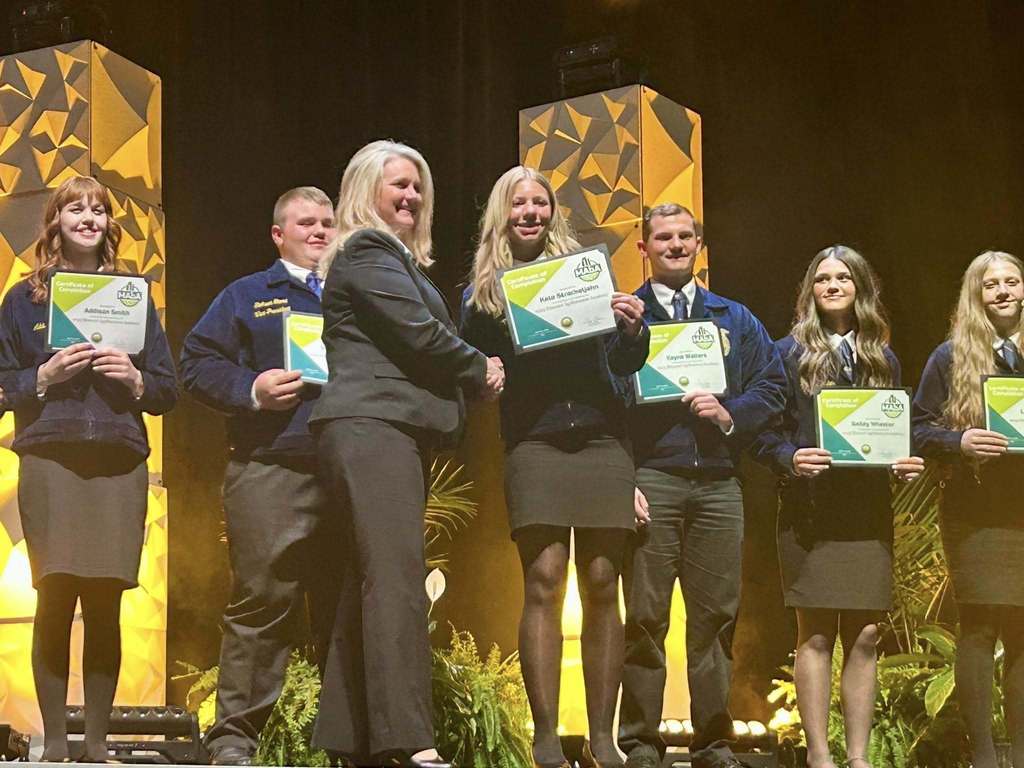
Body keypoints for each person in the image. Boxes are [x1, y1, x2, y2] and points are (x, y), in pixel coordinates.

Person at [310, 139, 503, 768]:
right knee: (396, 581)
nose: (413, 196)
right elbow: (420, 334)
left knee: (367, 579)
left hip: (384, 430)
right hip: (374, 427)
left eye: (418, 186)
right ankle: (406, 740)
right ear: (366, 190)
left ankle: (346, 737)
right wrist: (478, 367)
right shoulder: (367, 250)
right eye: (399, 184)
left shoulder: (394, 260)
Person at [460, 166, 650, 768]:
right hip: (535, 444)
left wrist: (633, 330)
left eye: (539, 202)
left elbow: (624, 361)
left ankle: (602, 738)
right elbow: (472, 371)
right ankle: (545, 737)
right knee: (544, 580)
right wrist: (485, 373)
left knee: (603, 581)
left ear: (552, 212)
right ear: (502, 213)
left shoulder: (587, 273)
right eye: (518, 203)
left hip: (602, 442)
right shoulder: (483, 294)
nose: (530, 212)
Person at [0, 175, 177, 762]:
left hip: (118, 462)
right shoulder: (22, 300)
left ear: (108, 225)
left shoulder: (132, 296)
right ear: (55, 220)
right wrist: (42, 378)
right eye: (75, 208)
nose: (88, 218)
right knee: (54, 596)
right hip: (51, 457)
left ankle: (96, 744)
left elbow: (169, 389)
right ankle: (54, 743)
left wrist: (137, 379)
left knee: (106, 601)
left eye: (97, 210)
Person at [618, 203, 787, 768]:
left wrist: (730, 413)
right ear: (643, 247)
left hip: (718, 485)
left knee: (715, 620)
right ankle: (640, 743)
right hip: (652, 479)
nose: (674, 245)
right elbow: (604, 398)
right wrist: (622, 478)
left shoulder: (733, 318)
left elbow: (773, 385)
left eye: (684, 236)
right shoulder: (627, 316)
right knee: (645, 618)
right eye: (662, 237)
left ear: (698, 245)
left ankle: (712, 742)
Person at [179, 186, 340, 766]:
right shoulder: (247, 294)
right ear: (278, 234)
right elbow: (195, 362)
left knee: (347, 606)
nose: (319, 232)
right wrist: (251, 389)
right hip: (270, 464)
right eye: (306, 223)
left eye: (327, 222)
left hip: (347, 467)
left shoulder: (356, 292)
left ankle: (348, 742)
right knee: (262, 600)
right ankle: (233, 742)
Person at [752, 246, 923, 768]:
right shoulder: (786, 353)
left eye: (843, 277)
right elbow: (762, 433)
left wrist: (901, 461)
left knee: (866, 634)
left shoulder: (882, 357)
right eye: (822, 278)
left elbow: (891, 431)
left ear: (860, 288)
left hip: (867, 512)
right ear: (810, 290)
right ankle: (820, 757)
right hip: (811, 512)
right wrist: (788, 457)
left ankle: (859, 758)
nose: (832, 285)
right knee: (817, 632)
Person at [912, 250, 1024, 768]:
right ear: (975, 295)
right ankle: (982, 757)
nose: (1003, 291)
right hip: (975, 510)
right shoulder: (950, 356)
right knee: (978, 626)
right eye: (990, 284)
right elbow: (917, 428)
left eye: (1011, 281)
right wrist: (958, 442)